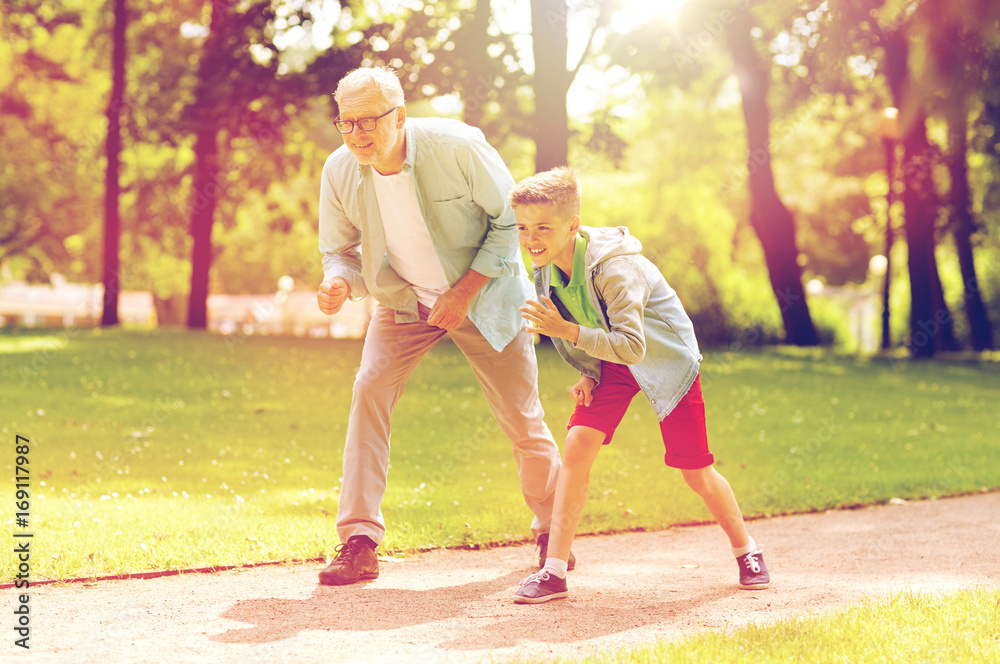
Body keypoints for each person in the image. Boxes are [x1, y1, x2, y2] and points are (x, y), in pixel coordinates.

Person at [314, 66, 568, 585]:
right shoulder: (340, 170)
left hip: (486, 295)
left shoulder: (458, 147)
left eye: (369, 122)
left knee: (521, 416)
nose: (358, 135)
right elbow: (339, 252)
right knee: (369, 391)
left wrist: (462, 293)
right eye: (347, 123)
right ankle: (358, 542)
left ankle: (552, 532)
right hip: (403, 300)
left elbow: (508, 225)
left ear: (399, 115)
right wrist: (339, 282)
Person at [509, 167, 769, 604]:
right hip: (612, 358)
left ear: (573, 225)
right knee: (577, 445)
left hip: (664, 361)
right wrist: (590, 372)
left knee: (696, 471)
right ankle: (553, 571)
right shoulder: (546, 266)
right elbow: (588, 323)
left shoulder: (615, 269)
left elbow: (630, 345)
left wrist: (569, 334)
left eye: (542, 228)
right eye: (522, 228)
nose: (530, 238)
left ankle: (749, 551)